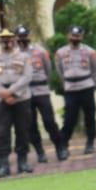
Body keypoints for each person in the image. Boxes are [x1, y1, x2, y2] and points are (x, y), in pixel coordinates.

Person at [0, 28, 34, 177]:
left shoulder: (24, 57)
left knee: (22, 130)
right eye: (3, 39)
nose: (7, 41)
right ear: (0, 41)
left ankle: (22, 162)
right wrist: (3, 94)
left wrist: (12, 92)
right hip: (1, 99)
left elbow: (27, 77)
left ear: (14, 40)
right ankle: (4, 165)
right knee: (2, 132)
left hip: (21, 97)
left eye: (9, 38)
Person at [14, 26, 61, 162]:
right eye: (20, 36)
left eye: (25, 35)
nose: (23, 39)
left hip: (41, 90)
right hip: (24, 93)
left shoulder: (40, 51)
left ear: (29, 36)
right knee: (30, 124)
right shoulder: (14, 55)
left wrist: (41, 82)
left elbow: (48, 70)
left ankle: (59, 147)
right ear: (16, 38)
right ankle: (39, 151)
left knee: (49, 121)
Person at [54, 25, 96, 156]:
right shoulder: (60, 52)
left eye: (78, 36)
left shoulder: (90, 52)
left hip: (86, 86)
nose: (75, 38)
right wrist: (65, 83)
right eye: (73, 35)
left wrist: (92, 83)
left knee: (90, 117)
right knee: (69, 118)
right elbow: (59, 70)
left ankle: (90, 143)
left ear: (82, 37)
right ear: (68, 36)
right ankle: (64, 144)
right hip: (71, 88)